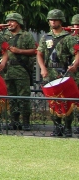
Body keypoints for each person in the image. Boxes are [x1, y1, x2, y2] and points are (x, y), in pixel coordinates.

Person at [37, 9, 75, 137]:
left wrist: (74, 65)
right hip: (49, 72)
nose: (53, 22)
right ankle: (57, 127)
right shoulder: (45, 37)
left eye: (55, 20)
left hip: (64, 72)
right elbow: (39, 54)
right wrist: (43, 68)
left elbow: (77, 53)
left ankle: (68, 127)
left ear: (61, 21)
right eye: (51, 20)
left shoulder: (68, 38)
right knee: (52, 101)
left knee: (67, 100)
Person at [0, 12, 35, 131]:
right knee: (11, 98)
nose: (9, 23)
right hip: (8, 71)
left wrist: (20, 51)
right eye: (8, 21)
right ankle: (14, 121)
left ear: (18, 23)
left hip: (21, 70)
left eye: (12, 21)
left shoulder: (26, 35)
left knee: (23, 97)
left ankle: (26, 122)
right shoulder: (4, 36)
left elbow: (34, 51)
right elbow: (2, 51)